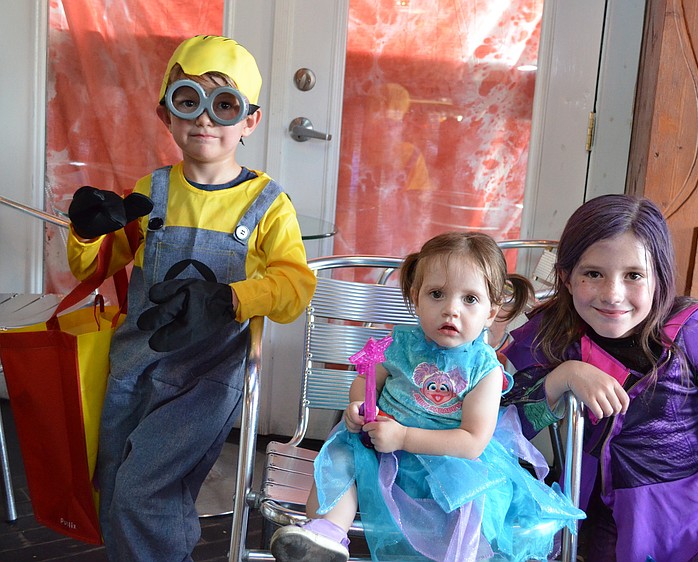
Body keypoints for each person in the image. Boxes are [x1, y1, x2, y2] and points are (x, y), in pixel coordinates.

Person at [65, 35, 317, 561]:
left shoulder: (268, 205)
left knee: (144, 490)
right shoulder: (151, 190)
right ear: (166, 114)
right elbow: (96, 267)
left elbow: (295, 288)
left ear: (249, 120)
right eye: (188, 101)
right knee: (114, 482)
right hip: (135, 366)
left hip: (207, 376)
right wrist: (87, 233)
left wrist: (229, 299)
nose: (204, 119)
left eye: (224, 105)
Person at [500, 194, 698, 562]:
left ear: (659, 278)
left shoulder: (695, 334)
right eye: (593, 274)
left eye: (633, 275)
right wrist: (564, 377)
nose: (612, 294)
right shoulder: (555, 333)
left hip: (696, 528)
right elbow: (507, 423)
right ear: (567, 278)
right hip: (601, 523)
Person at [270, 231, 584, 562]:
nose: (451, 310)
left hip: (446, 462)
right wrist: (359, 406)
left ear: (491, 312)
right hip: (378, 448)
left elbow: (471, 442)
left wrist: (404, 437)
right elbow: (367, 381)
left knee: (469, 501)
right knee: (339, 458)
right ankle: (326, 536)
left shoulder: (485, 370)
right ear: (416, 298)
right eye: (437, 294)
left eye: (470, 299)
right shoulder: (399, 344)